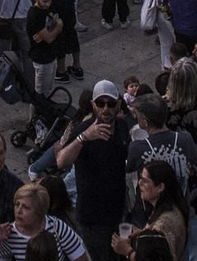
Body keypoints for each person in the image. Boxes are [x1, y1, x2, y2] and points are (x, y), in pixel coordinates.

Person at [53, 82, 130, 261]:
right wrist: (84, 138)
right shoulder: (83, 130)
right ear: (93, 105)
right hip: (93, 217)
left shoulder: (122, 127)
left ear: (118, 104)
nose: (106, 109)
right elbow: (61, 161)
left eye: (110, 104)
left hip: (117, 212)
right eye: (100, 104)